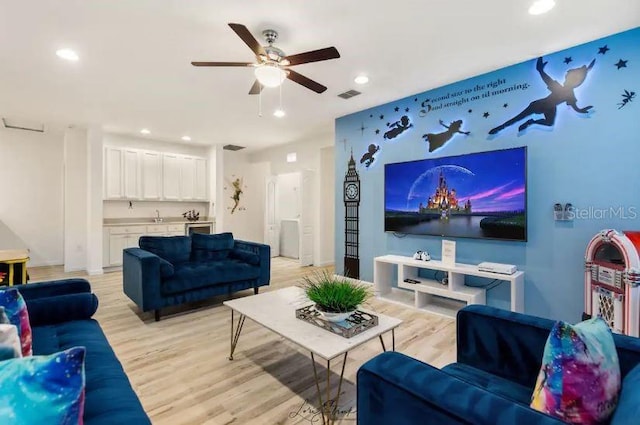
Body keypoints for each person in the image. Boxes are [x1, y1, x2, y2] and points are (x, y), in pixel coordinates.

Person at [489, 57, 595, 135]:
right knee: (517, 118)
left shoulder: (569, 94)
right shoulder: (559, 88)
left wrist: (581, 110)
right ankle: (499, 128)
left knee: (550, 123)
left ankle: (531, 122)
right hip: (540, 105)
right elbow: (546, 79)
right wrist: (540, 70)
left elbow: (575, 107)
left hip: (550, 108)